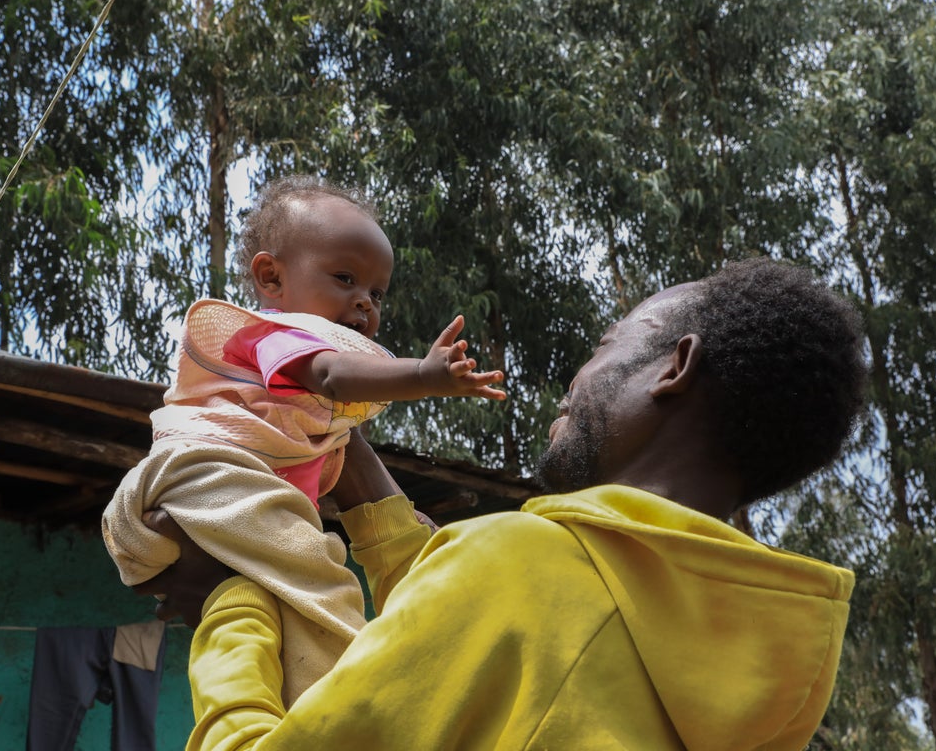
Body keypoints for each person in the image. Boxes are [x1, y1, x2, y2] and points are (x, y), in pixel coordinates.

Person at [137, 256, 869, 750]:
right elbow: (485, 640)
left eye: (609, 343)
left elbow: (500, 608)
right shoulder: (757, 662)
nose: (577, 375)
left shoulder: (522, 572)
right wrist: (353, 469)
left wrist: (230, 603)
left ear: (673, 368)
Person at [102, 176, 504, 705]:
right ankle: (340, 703)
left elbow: (340, 461)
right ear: (270, 277)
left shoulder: (312, 424)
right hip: (210, 473)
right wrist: (424, 377)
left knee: (281, 606)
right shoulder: (280, 335)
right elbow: (333, 375)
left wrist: (406, 527)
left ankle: (299, 706)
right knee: (320, 577)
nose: (364, 304)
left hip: (222, 499)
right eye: (344, 278)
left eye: (376, 293)